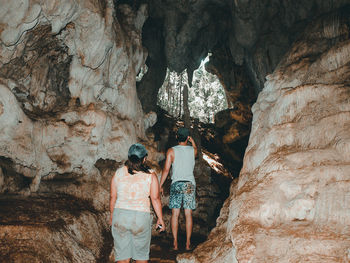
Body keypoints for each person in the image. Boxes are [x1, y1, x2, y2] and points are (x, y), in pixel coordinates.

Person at [110, 143, 165, 263]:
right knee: (141, 257)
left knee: (122, 258)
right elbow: (155, 199)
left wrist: (111, 216)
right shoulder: (150, 175)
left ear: (129, 157)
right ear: (144, 158)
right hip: (140, 217)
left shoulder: (118, 173)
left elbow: (113, 197)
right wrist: (160, 219)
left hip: (120, 216)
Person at [159, 127, 197, 251]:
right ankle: (188, 243)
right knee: (188, 214)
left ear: (177, 137)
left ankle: (175, 243)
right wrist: (192, 141)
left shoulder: (171, 151)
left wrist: (160, 184)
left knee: (175, 214)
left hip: (176, 184)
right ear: (187, 138)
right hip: (189, 184)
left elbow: (166, 170)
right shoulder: (193, 150)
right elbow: (196, 149)